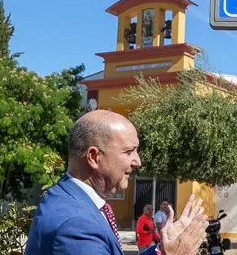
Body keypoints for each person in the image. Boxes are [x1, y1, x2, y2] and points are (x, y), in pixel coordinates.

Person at [24, 109, 208, 255]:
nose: (138, 161)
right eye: (129, 151)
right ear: (94, 157)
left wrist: (161, 250)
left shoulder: (68, 197)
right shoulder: (77, 226)